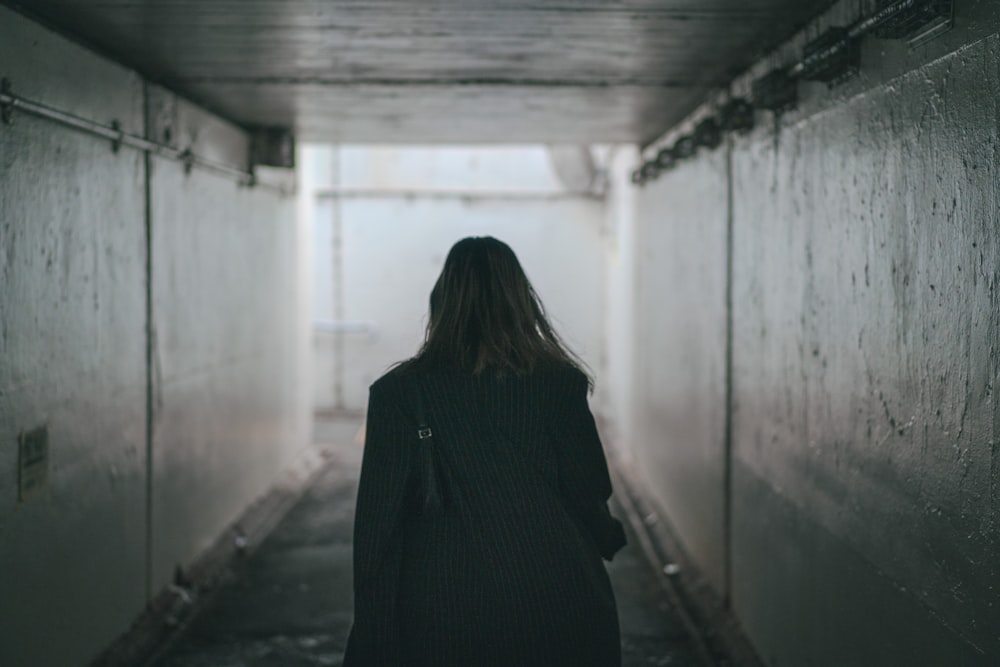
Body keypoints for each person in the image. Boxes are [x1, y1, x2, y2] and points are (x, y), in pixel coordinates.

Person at [343, 236, 627, 666]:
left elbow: (377, 531)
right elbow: (588, 489)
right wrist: (607, 536)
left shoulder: (399, 394)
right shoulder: (558, 384)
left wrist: (372, 636)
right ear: (520, 300)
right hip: (559, 601)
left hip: (446, 614)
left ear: (442, 300)